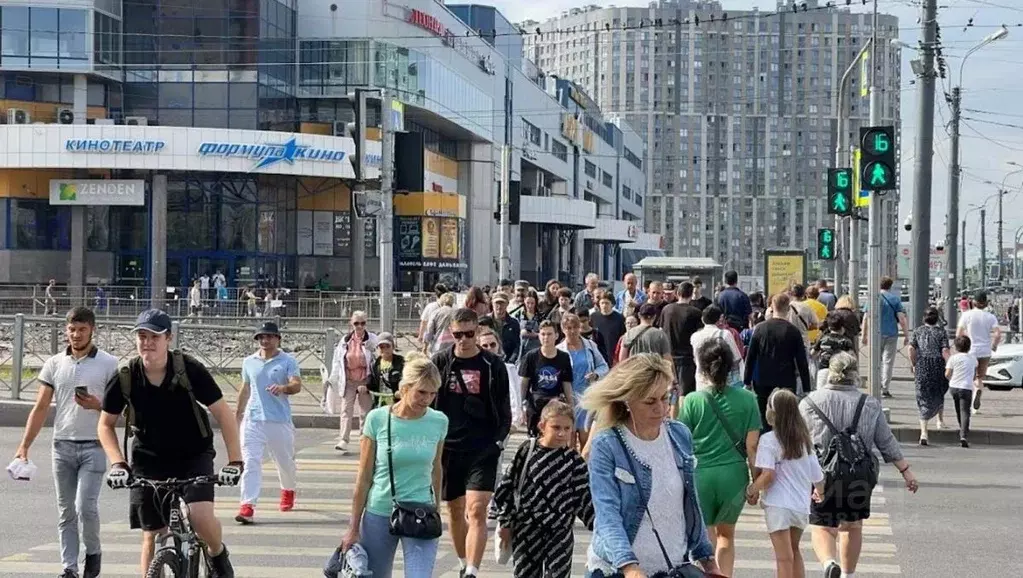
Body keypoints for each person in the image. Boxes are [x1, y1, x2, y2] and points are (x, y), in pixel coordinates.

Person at [97, 309, 243, 576]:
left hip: (193, 453)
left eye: (155, 336)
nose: (147, 342)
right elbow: (105, 425)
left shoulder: (189, 369)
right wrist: (118, 464)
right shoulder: (126, 376)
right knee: (152, 535)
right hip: (148, 458)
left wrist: (235, 462)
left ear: (169, 339)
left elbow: (224, 414)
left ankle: (216, 552)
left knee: (200, 516)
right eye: (142, 336)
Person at [581, 354, 720, 577]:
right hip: (618, 570)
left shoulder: (679, 435)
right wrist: (629, 566)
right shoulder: (607, 444)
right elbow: (607, 514)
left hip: (672, 567)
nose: (661, 408)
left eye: (665, 398)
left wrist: (707, 558)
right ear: (627, 401)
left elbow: (690, 503)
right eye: (650, 401)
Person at [14, 307, 118, 578]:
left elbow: (121, 409)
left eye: (82, 329)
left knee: (85, 508)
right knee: (66, 511)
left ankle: (93, 552)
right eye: (72, 329)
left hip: (94, 445)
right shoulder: (54, 363)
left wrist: (98, 405)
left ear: (92, 330)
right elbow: (40, 407)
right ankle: (69, 567)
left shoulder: (109, 364)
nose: (76, 335)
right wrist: (24, 446)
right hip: (62, 446)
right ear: (66, 330)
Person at [800, 352, 918, 578]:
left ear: (830, 372)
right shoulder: (870, 404)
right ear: (855, 374)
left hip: (822, 476)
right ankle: (848, 575)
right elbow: (886, 441)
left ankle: (829, 563)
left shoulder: (809, 403)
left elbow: (800, 443)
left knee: (823, 526)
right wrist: (906, 471)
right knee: (852, 526)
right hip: (859, 476)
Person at [342, 353, 448, 578]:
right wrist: (353, 528)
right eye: (421, 392)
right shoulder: (377, 419)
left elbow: (436, 469)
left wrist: (437, 509)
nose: (427, 399)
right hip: (380, 510)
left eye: (432, 393)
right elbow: (364, 476)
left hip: (421, 513)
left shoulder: (439, 421)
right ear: (404, 388)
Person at [431, 308, 511, 578]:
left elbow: (504, 407)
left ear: (477, 331)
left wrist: (498, 441)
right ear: (450, 333)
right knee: (455, 510)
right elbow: (427, 399)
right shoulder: (441, 361)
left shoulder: (492, 365)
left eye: (468, 333)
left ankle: (472, 572)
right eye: (458, 335)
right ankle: (463, 562)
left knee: (476, 510)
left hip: (483, 447)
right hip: (449, 447)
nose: (463, 339)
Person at [680, 340, 761, 577]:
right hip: (734, 476)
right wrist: (755, 483)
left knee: (704, 538)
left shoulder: (692, 400)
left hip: (700, 474)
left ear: (702, 367)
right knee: (727, 535)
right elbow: (752, 446)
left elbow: (682, 444)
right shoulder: (748, 399)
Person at [489, 401, 594, 578]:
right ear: (542, 426)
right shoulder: (527, 451)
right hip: (527, 528)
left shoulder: (574, 461)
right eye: (556, 427)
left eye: (567, 428)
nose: (561, 433)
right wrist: (505, 522)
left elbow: (584, 498)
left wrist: (600, 528)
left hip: (559, 530)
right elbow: (508, 486)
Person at [746, 389, 825, 578]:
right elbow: (818, 477)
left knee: (783, 558)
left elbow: (768, 475)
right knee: (794, 551)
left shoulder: (768, 440)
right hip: (800, 506)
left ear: (773, 413)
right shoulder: (804, 441)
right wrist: (820, 492)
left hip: (778, 505)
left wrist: (751, 489)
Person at [235, 321, 302, 524]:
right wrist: (238, 414)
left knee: (285, 462)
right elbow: (245, 388)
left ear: (278, 339)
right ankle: (247, 505)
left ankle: (288, 489)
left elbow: (296, 385)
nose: (265, 340)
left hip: (279, 420)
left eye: (269, 336)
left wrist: (283, 388)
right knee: (250, 462)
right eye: (261, 337)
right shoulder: (249, 361)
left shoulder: (287, 361)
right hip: (253, 419)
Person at [745, 294, 812, 426]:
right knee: (786, 416)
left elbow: (751, 356)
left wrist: (747, 381)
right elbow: (801, 361)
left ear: (771, 307)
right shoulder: (793, 331)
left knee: (764, 416)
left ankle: (766, 436)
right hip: (786, 379)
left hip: (762, 379)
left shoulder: (760, 328)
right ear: (788, 308)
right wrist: (806, 387)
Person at [327, 311, 378, 454]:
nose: (359, 326)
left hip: (365, 380)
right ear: (351, 324)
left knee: (365, 412)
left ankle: (364, 439)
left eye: (362, 323)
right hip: (348, 380)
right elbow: (337, 361)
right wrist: (332, 379)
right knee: (346, 410)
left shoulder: (372, 339)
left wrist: (372, 349)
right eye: (356, 323)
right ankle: (343, 439)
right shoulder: (345, 340)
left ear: (366, 323)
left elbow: (378, 357)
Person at [557, 313, 611, 449]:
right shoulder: (559, 350)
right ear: (563, 330)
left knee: (586, 440)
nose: (572, 331)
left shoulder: (590, 345)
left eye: (575, 327)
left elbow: (604, 366)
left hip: (586, 398)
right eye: (568, 328)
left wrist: (596, 374)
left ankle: (584, 462)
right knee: (569, 441)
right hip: (568, 399)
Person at [519, 320, 575, 436]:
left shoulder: (564, 357)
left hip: (555, 405)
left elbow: (567, 385)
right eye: (543, 334)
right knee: (534, 438)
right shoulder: (531, 356)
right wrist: (521, 407)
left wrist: (571, 408)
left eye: (549, 334)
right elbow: (524, 383)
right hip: (536, 404)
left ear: (556, 336)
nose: (546, 338)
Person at [861, 277, 910, 398]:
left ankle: (874, 386)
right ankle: (885, 388)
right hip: (891, 334)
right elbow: (902, 319)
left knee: (875, 361)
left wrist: (864, 335)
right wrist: (906, 335)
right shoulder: (895, 299)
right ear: (890, 286)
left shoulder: (872, 298)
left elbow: (866, 318)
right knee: (888, 362)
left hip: (875, 334)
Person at [910, 307, 950, 445]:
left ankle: (924, 432)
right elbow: (945, 350)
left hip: (922, 365)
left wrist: (914, 363)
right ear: (937, 319)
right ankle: (940, 421)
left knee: (922, 397)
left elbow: (911, 348)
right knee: (939, 392)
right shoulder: (941, 332)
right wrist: (949, 366)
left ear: (924, 318)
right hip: (938, 365)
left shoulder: (917, 331)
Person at [956, 290, 1001, 413]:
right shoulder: (990, 317)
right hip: (985, 351)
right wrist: (994, 346)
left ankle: (970, 404)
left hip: (970, 350)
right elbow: (997, 334)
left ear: (973, 302)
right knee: (979, 377)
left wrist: (960, 346)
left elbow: (958, 334)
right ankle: (978, 392)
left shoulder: (966, 315)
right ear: (986, 303)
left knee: (969, 377)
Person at [659, 281, 704, 397]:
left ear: (677, 293)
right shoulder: (696, 313)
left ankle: (670, 409)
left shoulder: (666, 310)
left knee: (668, 393)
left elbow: (661, 332)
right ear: (691, 294)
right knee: (685, 394)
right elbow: (700, 336)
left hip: (668, 357)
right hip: (687, 359)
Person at [477, 327, 525, 431]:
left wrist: (514, 423)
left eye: (492, 345)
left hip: (502, 424)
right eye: (485, 345)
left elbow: (515, 396)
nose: (489, 348)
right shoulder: (474, 370)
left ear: (498, 345)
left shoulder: (509, 369)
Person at [690, 305, 745, 391]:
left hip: (702, 378)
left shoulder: (694, 336)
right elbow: (736, 358)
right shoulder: (725, 334)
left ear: (702, 319)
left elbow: (695, 358)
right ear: (719, 319)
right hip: (723, 379)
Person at [945, 336, 979, 447]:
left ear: (955, 347)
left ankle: (962, 428)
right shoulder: (973, 359)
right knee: (965, 411)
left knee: (958, 409)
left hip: (954, 387)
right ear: (969, 347)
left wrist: (951, 379)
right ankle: (964, 435)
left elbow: (947, 374)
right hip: (966, 387)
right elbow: (974, 376)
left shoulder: (953, 358)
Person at [812, 313, 855, 390]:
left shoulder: (823, 338)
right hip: (839, 372)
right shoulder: (846, 341)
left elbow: (813, 353)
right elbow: (852, 356)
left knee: (821, 392)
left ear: (829, 327)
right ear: (842, 328)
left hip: (823, 369)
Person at [368, 332, 405, 405]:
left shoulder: (401, 362)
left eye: (388, 346)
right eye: (381, 347)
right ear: (377, 348)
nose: (385, 349)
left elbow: (406, 379)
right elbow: (373, 383)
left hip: (397, 401)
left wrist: (401, 391)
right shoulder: (374, 364)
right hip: (381, 401)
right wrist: (365, 386)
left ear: (393, 347)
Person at [591, 292, 627, 367]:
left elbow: (622, 338)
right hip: (597, 354)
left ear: (612, 304)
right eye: (602, 303)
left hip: (613, 354)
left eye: (607, 303)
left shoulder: (619, 318)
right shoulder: (593, 317)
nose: (604, 305)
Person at [485, 292, 522, 364]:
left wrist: (511, 361)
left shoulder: (514, 323)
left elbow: (517, 345)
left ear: (507, 304)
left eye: (502, 303)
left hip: (508, 362)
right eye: (497, 303)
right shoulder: (485, 321)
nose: (499, 306)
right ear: (492, 303)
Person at [514, 289, 543, 359]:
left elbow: (545, 332)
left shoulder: (541, 316)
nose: (530, 306)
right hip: (522, 349)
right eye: (528, 303)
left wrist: (535, 334)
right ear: (524, 301)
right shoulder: (518, 315)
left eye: (532, 303)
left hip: (536, 349)